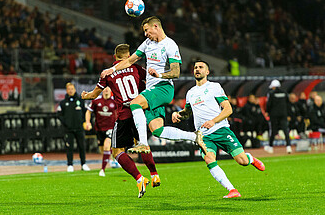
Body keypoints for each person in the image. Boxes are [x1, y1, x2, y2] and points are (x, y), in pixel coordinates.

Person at [101, 16, 202, 154]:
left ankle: (143, 143)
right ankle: (194, 136)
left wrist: (159, 75)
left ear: (156, 26)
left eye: (147, 30)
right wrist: (112, 69)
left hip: (163, 88)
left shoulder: (170, 45)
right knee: (157, 130)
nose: (145, 34)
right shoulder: (147, 43)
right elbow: (130, 60)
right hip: (152, 91)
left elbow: (176, 72)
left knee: (135, 103)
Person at [171, 60, 265, 198]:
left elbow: (228, 109)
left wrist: (213, 121)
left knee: (242, 161)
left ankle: (249, 158)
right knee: (209, 159)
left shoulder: (215, 87)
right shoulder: (190, 93)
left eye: (201, 67)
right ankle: (232, 190)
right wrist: (178, 114)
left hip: (221, 129)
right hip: (203, 135)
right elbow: (187, 112)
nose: (197, 69)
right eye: (195, 67)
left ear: (207, 72)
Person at [82, 44, 160, 198]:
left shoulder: (108, 73)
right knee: (142, 144)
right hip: (139, 112)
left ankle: (139, 178)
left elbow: (93, 95)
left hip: (124, 115)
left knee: (116, 151)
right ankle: (154, 174)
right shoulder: (137, 68)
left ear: (115, 56)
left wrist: (86, 95)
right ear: (129, 55)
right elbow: (151, 83)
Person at [57, 82, 91, 172]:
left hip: (79, 128)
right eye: (69, 89)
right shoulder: (63, 103)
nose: (70, 91)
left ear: (75, 90)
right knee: (69, 147)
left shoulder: (80, 100)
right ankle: (70, 164)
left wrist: (85, 122)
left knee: (82, 146)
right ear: (66, 90)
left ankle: (83, 164)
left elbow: (86, 112)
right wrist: (66, 123)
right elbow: (59, 115)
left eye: (72, 89)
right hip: (68, 129)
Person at [85, 87, 117, 177]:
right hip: (99, 129)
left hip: (110, 128)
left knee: (107, 146)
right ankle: (112, 158)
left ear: (111, 90)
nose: (106, 89)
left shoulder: (114, 101)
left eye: (108, 88)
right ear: (102, 90)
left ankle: (102, 169)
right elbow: (88, 112)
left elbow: (118, 113)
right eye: (105, 88)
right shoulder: (96, 101)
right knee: (102, 150)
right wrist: (87, 122)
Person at [265, 80, 292, 154]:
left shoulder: (271, 93)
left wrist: (267, 111)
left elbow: (269, 104)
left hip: (274, 115)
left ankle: (270, 147)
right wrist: (288, 114)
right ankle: (288, 146)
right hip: (283, 114)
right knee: (285, 130)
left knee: (273, 131)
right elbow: (288, 104)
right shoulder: (284, 93)